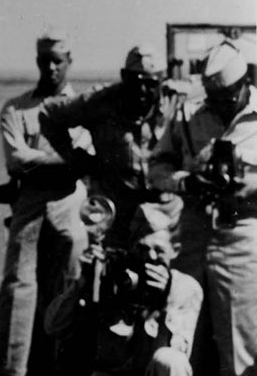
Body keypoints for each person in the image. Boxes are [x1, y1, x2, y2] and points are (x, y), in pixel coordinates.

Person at [149, 40, 257, 376]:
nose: (219, 105)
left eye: (226, 97)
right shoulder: (189, 113)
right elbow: (156, 166)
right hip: (194, 238)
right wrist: (185, 180)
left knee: (241, 354)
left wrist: (246, 189)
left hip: (243, 240)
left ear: (245, 83)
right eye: (213, 97)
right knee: (180, 342)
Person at [42, 205, 202, 376]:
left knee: (170, 361)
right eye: (142, 248)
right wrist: (82, 283)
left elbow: (180, 354)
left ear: (176, 251)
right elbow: (54, 327)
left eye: (159, 251)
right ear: (130, 247)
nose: (149, 257)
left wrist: (166, 300)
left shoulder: (184, 288)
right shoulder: (112, 274)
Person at [0, 31, 90, 376]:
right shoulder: (17, 108)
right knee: (19, 285)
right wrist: (67, 164)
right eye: (44, 60)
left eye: (57, 60)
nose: (50, 67)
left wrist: (49, 164)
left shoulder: (83, 107)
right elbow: (18, 159)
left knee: (69, 284)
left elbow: (87, 156)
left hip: (70, 204)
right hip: (29, 203)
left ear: (69, 61)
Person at [41, 45, 180, 250]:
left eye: (151, 84)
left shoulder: (178, 102)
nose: (142, 91)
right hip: (114, 211)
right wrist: (78, 160)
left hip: (163, 211)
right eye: (135, 82)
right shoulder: (101, 101)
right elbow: (49, 115)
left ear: (162, 80)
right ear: (124, 77)